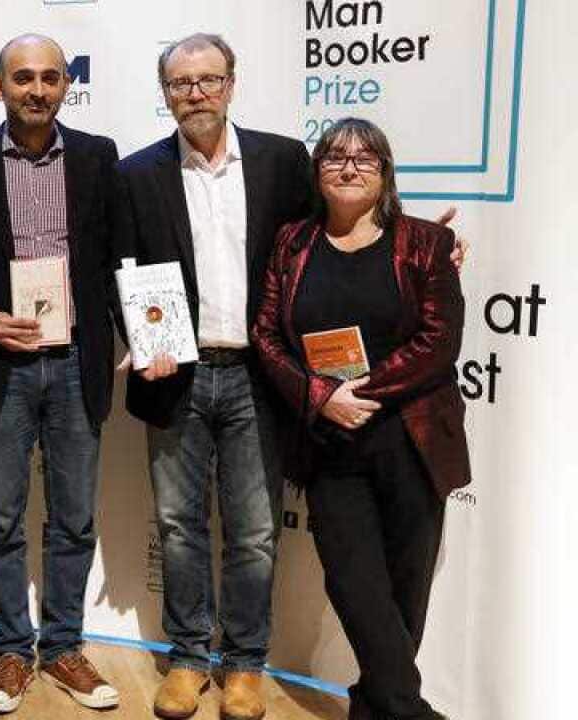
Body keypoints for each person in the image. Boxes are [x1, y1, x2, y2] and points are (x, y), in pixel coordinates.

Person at [115, 34, 466, 720]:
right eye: (183, 83)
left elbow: (355, 209)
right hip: (175, 374)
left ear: (231, 83)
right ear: (166, 93)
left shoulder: (281, 160)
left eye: (209, 80)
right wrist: (133, 336)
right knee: (178, 525)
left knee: (252, 530)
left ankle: (244, 663)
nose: (197, 93)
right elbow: (119, 268)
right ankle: (188, 658)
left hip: (259, 377)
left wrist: (435, 239)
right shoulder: (135, 175)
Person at [252, 117, 469, 720]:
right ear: (317, 173)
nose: (349, 168)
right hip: (331, 444)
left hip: (412, 438)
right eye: (334, 158)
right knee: (354, 584)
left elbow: (438, 340)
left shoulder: (424, 243)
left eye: (365, 159)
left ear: (385, 173)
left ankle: (374, 706)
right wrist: (321, 395)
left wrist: (363, 391)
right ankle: (410, 710)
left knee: (405, 590)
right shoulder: (292, 243)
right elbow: (266, 333)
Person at [0, 33, 122, 714]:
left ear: (66, 85)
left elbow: (121, 257)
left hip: (78, 360)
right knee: (1, 517)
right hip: (2, 366)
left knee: (74, 519)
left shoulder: (99, 158)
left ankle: (65, 645)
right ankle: (13, 651)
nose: (36, 89)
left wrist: (141, 328)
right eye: (22, 78)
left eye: (49, 77)